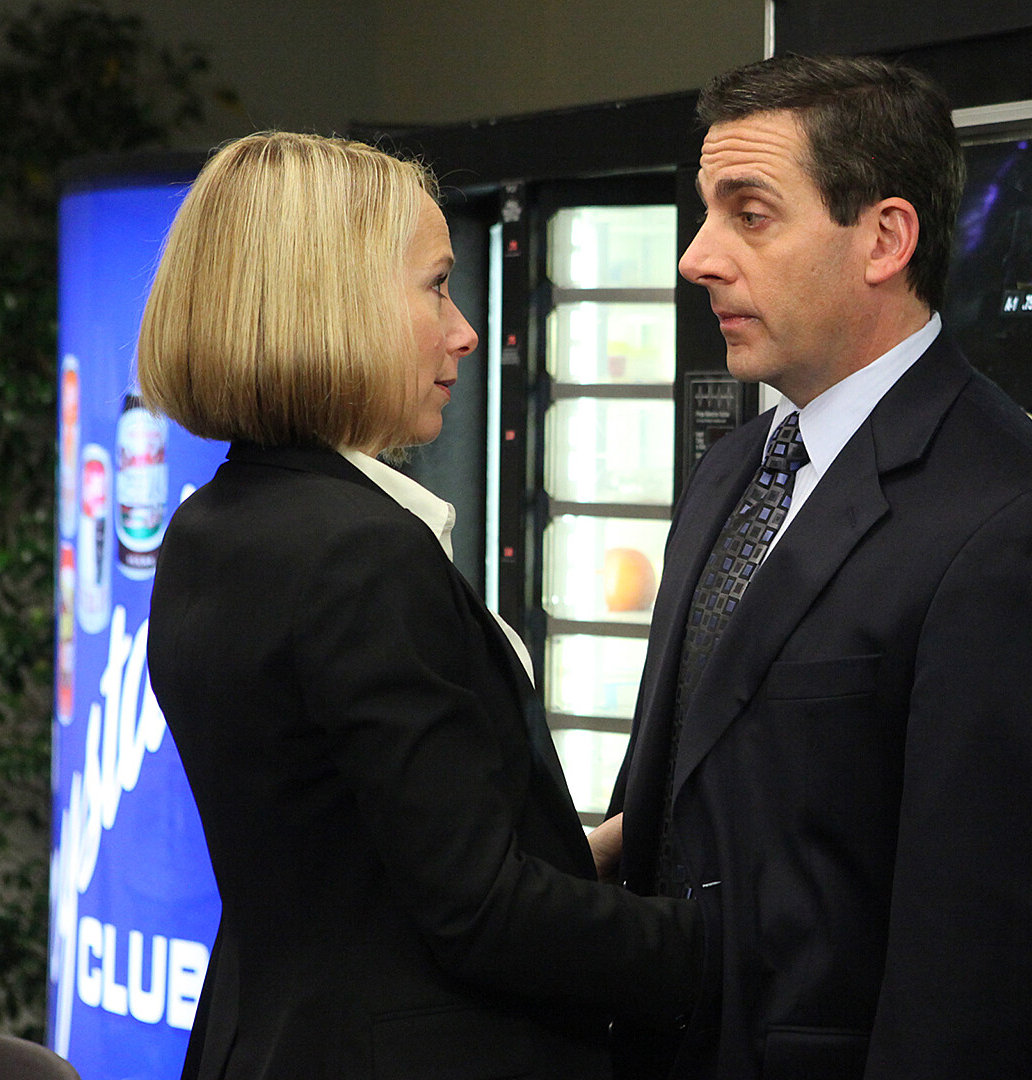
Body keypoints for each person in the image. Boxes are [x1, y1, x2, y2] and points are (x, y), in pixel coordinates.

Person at [605, 56, 1032, 1078]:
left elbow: (988, 970)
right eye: (706, 214)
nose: (697, 257)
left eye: (749, 215)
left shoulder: (1018, 523)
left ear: (886, 240)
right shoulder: (733, 469)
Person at [139, 132, 702, 1080]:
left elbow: (349, 853)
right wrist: (725, 950)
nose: (466, 330)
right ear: (334, 303)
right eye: (437, 286)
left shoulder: (213, 527)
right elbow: (483, 916)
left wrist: (580, 855)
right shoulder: (361, 552)